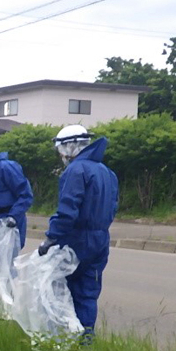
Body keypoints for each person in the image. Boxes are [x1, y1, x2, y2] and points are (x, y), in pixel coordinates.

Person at [37, 124, 119, 339]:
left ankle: (64, 344)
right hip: (101, 239)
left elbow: (67, 210)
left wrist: (51, 238)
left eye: (61, 150)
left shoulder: (75, 170)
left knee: (61, 291)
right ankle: (86, 343)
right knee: (88, 294)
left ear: (70, 146)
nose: (61, 155)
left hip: (77, 240)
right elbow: (112, 207)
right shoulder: (107, 172)